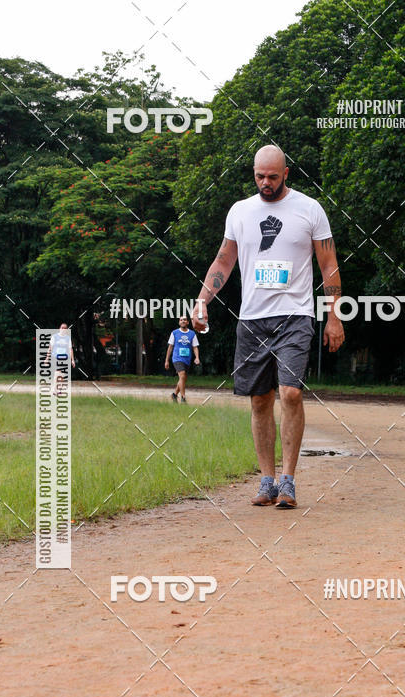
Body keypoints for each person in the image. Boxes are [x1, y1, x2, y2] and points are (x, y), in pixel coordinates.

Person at [191, 144, 344, 508]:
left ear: (286, 173)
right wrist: (201, 300)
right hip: (252, 318)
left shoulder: (309, 209)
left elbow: (329, 265)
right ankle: (267, 480)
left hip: (296, 314)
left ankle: (288, 481)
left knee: (290, 392)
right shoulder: (240, 211)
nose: (266, 183)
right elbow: (224, 260)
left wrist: (334, 315)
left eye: (273, 177)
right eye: (260, 176)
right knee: (260, 399)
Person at [165, 316, 200, 403]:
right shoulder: (174, 333)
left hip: (187, 359)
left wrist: (197, 357)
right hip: (177, 358)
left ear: (188, 322)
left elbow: (195, 347)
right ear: (179, 322)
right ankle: (183, 397)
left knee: (183, 378)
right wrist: (167, 360)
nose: (183, 321)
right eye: (181, 320)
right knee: (182, 375)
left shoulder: (192, 334)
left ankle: (174, 395)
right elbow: (170, 347)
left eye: (184, 320)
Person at [45, 323, 74, 395]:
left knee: (61, 374)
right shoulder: (54, 337)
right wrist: (47, 358)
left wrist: (72, 360)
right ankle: (55, 390)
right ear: (59, 328)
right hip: (55, 357)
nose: (63, 329)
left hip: (64, 358)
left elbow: (70, 349)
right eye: (62, 327)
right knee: (57, 372)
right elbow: (50, 348)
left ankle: (59, 389)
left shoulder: (68, 338)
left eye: (65, 328)